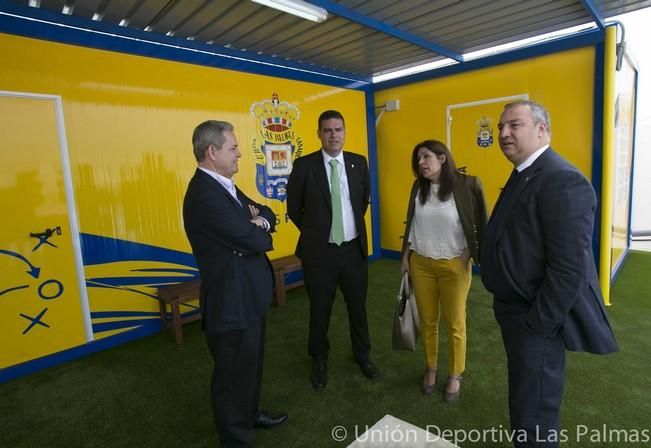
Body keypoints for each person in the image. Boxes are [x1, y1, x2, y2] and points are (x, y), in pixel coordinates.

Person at [480, 101, 618, 447]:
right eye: (500, 127)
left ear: (542, 130)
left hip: (535, 321)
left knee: (535, 414)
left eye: (514, 125)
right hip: (516, 313)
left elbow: (569, 268)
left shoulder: (562, 179)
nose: (503, 133)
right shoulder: (526, 172)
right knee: (525, 400)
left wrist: (539, 324)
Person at [183, 120, 287, 448]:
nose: (240, 153)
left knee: (250, 365)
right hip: (230, 302)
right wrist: (255, 225)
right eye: (233, 148)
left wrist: (258, 221)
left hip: (249, 296)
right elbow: (252, 239)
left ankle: (251, 413)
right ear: (212, 152)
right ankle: (235, 439)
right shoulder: (203, 194)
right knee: (231, 377)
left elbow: (267, 214)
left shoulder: (224, 184)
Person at [286, 109, 379, 390]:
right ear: (319, 134)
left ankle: (363, 356)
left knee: (358, 308)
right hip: (319, 253)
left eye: (338, 129)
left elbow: (361, 202)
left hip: (352, 251)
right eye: (327, 130)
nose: (333, 135)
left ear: (345, 132)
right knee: (319, 310)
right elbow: (294, 209)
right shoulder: (304, 166)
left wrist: (346, 229)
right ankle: (319, 359)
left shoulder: (358, 163)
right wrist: (317, 233)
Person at [400, 140, 487, 402]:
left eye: (426, 157)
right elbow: (412, 223)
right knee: (428, 321)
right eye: (418, 159)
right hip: (421, 263)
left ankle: (455, 374)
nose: (421, 163)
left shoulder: (468, 185)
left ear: (442, 158)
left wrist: (468, 254)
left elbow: (483, 224)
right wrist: (406, 256)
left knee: (455, 323)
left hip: (454, 265)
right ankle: (431, 368)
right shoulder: (419, 187)